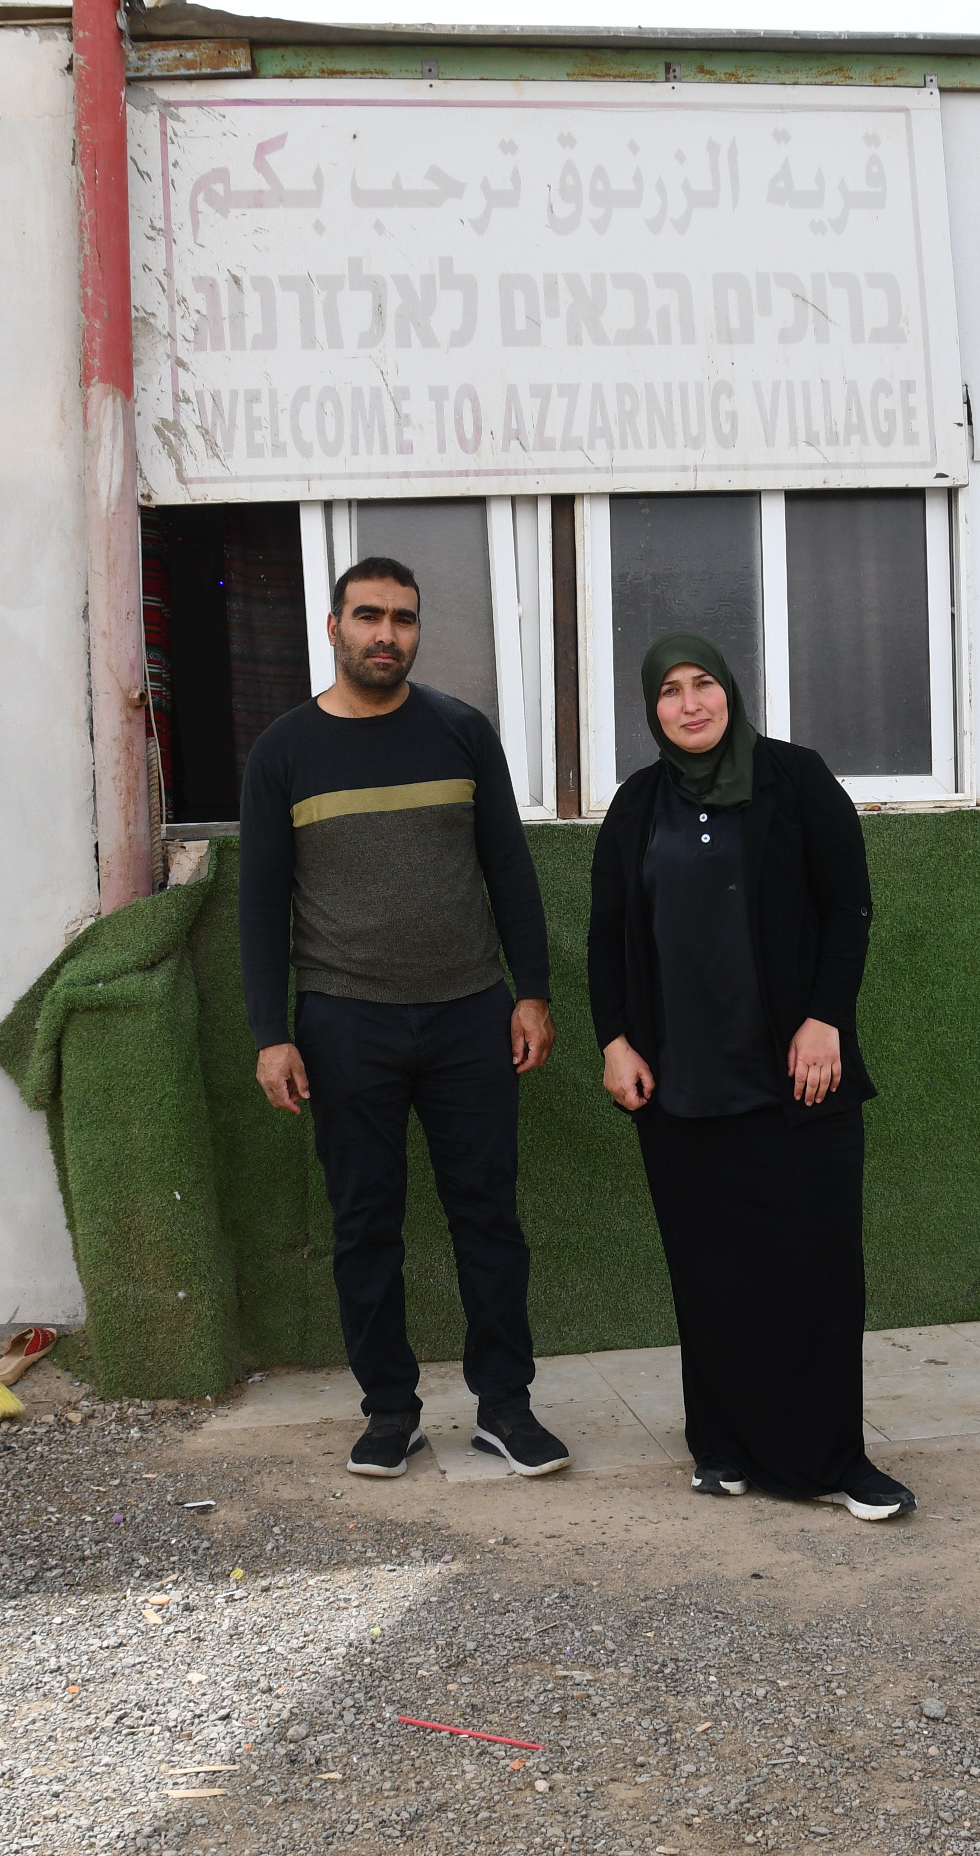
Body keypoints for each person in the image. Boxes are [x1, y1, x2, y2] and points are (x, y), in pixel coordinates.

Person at [238, 555, 570, 1480]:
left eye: (404, 619)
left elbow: (510, 870)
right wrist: (273, 1033)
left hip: (471, 1014)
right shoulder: (284, 753)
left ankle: (507, 1408)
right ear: (335, 628)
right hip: (346, 1023)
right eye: (369, 616)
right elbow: (261, 906)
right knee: (364, 1226)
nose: (387, 633)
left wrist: (530, 990)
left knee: (489, 1221)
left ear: (418, 632)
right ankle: (390, 1411)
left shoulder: (463, 733)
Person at [586, 632, 914, 1522]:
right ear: (651, 708)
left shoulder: (795, 779)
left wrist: (824, 1019)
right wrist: (615, 1040)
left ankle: (830, 1459)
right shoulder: (637, 803)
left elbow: (847, 908)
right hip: (682, 1087)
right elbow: (607, 934)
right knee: (711, 1274)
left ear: (731, 691)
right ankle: (720, 1447)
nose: (689, 705)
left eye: (704, 686)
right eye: (669, 693)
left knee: (815, 1270)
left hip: (795, 1080)